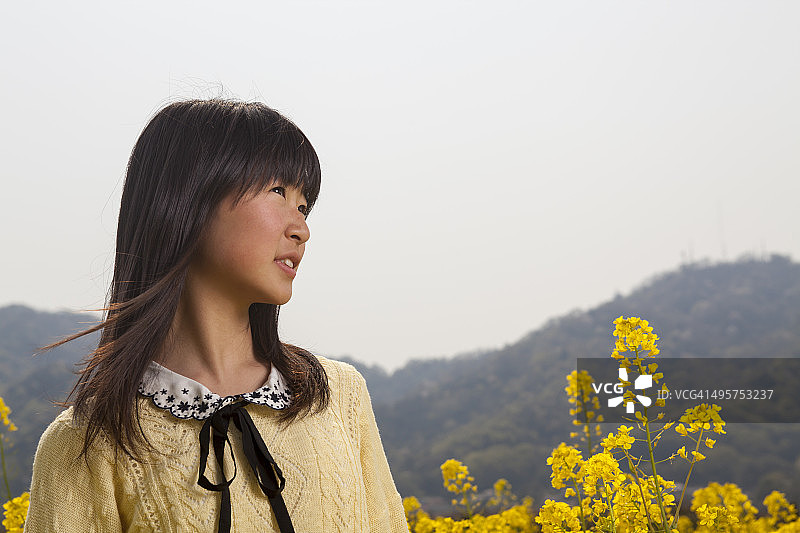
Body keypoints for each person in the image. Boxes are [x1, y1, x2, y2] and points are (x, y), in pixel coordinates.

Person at [24, 99, 409, 532]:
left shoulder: (338, 397)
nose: (301, 229)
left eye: (304, 206)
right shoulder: (88, 444)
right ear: (187, 199)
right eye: (278, 192)